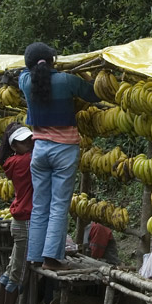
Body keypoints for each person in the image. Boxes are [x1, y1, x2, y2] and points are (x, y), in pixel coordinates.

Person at [19, 42, 101, 271]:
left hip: (40, 150)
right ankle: (52, 258)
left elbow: (23, 72)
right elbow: (93, 93)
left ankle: (35, 255)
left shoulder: (26, 82)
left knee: (39, 205)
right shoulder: (66, 81)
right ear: (52, 62)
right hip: (64, 150)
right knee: (58, 205)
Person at [0, 123, 35, 304]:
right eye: (24, 141)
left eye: (30, 140)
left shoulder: (14, 161)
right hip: (25, 222)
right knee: (19, 272)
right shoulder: (23, 161)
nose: (30, 143)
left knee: (11, 269)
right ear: (14, 145)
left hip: (20, 221)